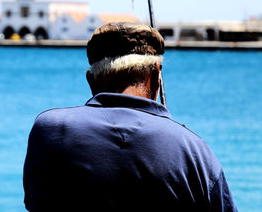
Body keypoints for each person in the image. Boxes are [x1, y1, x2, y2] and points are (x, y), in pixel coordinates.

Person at [23, 22, 237, 211]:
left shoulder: (49, 130)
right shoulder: (194, 150)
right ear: (156, 76)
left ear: (91, 81)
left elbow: (35, 202)